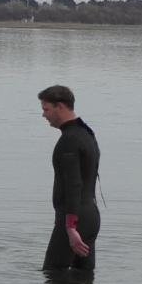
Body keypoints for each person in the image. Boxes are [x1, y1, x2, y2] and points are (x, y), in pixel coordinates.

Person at [39, 85, 100, 270]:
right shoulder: (87, 133)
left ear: (60, 107)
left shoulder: (69, 140)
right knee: (83, 281)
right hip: (90, 216)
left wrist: (71, 227)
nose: (44, 115)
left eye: (46, 109)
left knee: (54, 275)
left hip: (74, 218)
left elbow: (74, 184)